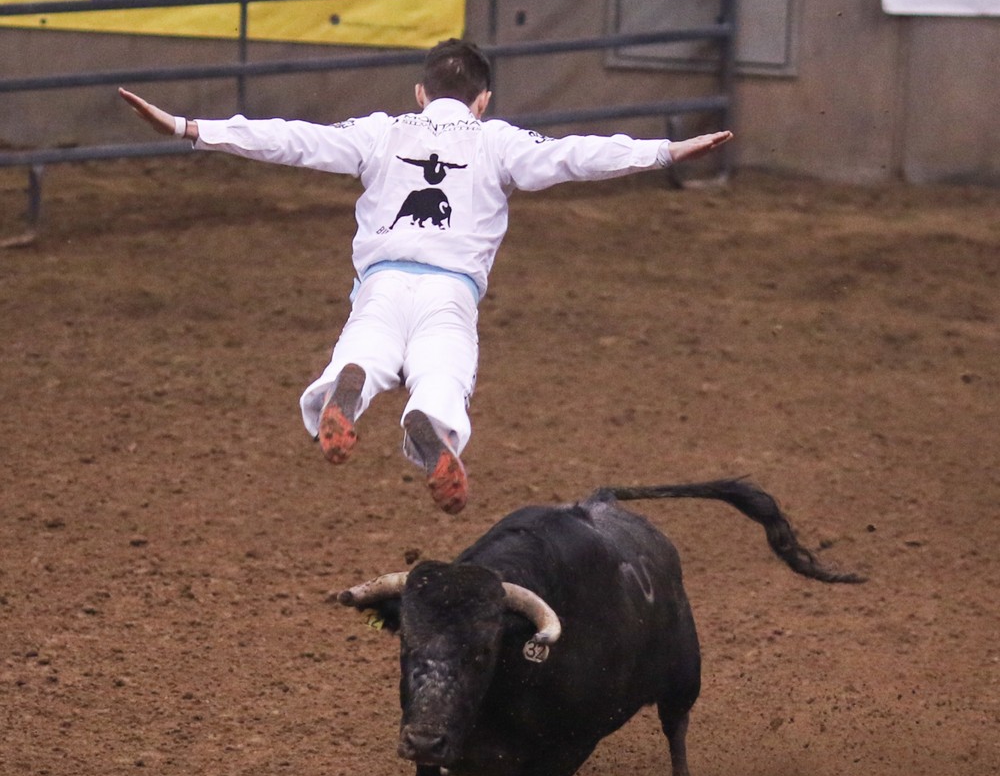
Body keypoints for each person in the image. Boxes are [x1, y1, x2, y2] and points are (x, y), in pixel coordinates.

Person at [119, 39, 731, 515]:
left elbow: (292, 139)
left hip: (382, 281)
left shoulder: (381, 132)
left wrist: (191, 128)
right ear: (483, 99)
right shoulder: (498, 141)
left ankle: (346, 388)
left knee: (366, 348)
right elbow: (575, 155)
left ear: (419, 92)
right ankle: (428, 423)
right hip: (451, 290)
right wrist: (662, 151)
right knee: (443, 373)